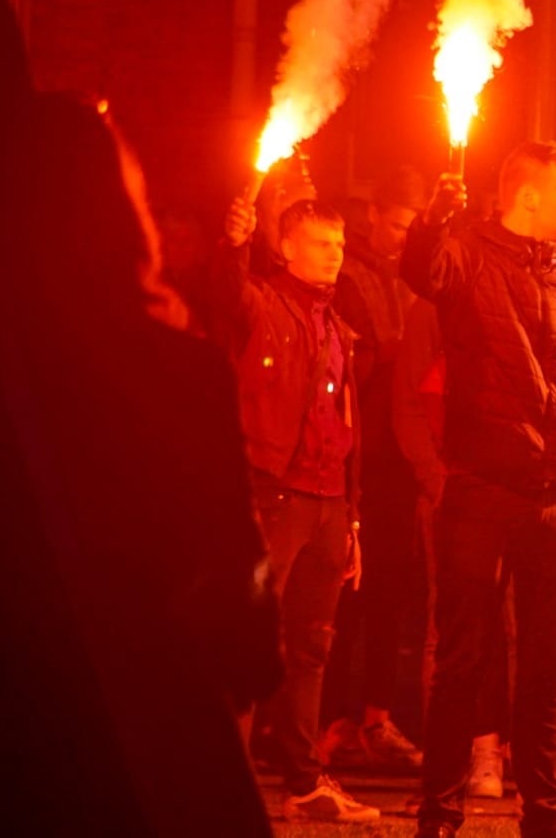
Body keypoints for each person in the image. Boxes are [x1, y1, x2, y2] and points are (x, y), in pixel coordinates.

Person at [403, 141, 556, 838]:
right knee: (462, 661)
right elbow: (422, 268)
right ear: (528, 195)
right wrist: (435, 216)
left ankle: (544, 816)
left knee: (547, 674)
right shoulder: (465, 256)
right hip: (483, 493)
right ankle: (438, 815)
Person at [213, 194, 377, 822]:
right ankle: (228, 776)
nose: (334, 253)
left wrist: (353, 517)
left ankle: (305, 781)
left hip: (328, 501)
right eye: (319, 242)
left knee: (311, 646)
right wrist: (233, 241)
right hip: (272, 494)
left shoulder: (338, 327)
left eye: (338, 243)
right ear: (285, 247)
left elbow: (347, 426)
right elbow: (225, 292)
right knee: (250, 638)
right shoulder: (262, 301)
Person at [321, 170, 428, 770]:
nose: (401, 236)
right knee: (345, 593)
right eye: (395, 224)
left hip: (403, 455)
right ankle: (331, 719)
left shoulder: (419, 279)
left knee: (390, 591)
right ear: (373, 218)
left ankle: (377, 717)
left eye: (412, 227)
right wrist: (389, 360)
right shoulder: (348, 273)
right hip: (356, 452)